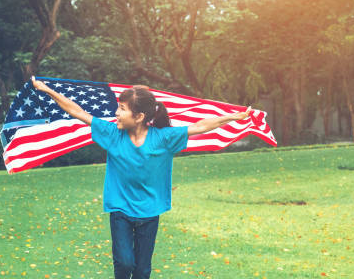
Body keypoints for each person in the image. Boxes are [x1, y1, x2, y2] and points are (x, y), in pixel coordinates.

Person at [31, 76, 252, 279]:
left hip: (150, 210)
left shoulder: (163, 138)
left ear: (139, 117)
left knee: (142, 270)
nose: (116, 113)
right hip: (120, 209)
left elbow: (201, 126)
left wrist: (234, 116)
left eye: (122, 109)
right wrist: (47, 89)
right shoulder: (112, 134)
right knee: (125, 263)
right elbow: (77, 111)